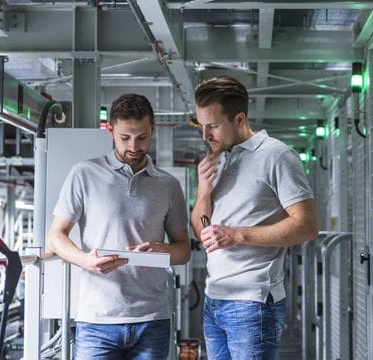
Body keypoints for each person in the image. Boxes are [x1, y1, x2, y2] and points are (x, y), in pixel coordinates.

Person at [47, 93, 190, 359]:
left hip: (153, 320)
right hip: (97, 320)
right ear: (110, 130)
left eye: (142, 137)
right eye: (125, 138)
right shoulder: (84, 174)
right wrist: (84, 260)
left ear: (152, 130)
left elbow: (183, 251)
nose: (134, 146)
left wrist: (161, 249)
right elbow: (56, 235)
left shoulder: (169, 185)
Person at [190, 76, 319, 359]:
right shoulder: (219, 158)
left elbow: (307, 225)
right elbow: (202, 228)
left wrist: (238, 235)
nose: (205, 136)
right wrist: (203, 191)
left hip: (253, 302)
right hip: (215, 297)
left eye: (213, 126)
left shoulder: (276, 155)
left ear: (239, 119)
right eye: (202, 126)